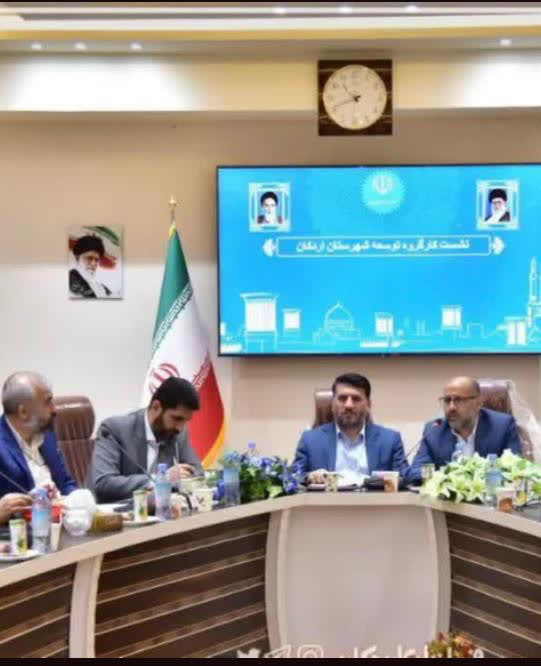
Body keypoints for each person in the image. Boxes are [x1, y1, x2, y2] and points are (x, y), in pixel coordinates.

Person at [89, 377, 204, 503]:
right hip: (120, 511)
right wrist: (161, 479)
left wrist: (187, 476)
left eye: (185, 421)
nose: (180, 428)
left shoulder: (176, 432)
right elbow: (103, 483)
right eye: (177, 418)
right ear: (156, 407)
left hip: (163, 510)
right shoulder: (114, 430)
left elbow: (197, 472)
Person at [293, 373, 409, 485]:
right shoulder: (310, 440)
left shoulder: (390, 440)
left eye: (356, 399)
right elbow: (293, 477)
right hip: (328, 498)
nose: (349, 405)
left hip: (373, 499)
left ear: (368, 404)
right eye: (342, 398)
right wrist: (309, 477)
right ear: (332, 403)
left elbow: (405, 478)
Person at [408, 376, 522, 484]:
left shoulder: (502, 426)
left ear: (478, 403)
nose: (451, 407)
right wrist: (448, 478)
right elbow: (415, 472)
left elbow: (515, 469)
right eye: (447, 400)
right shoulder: (434, 430)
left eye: (458, 400)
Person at [0, 372, 77, 499]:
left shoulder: (46, 436)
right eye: (48, 402)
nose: (54, 409)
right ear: (23, 412)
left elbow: (66, 484)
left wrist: (78, 499)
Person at [69, 234, 112, 298]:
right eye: (89, 258)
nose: (93, 263)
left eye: (96, 260)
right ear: (77, 258)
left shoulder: (102, 288)